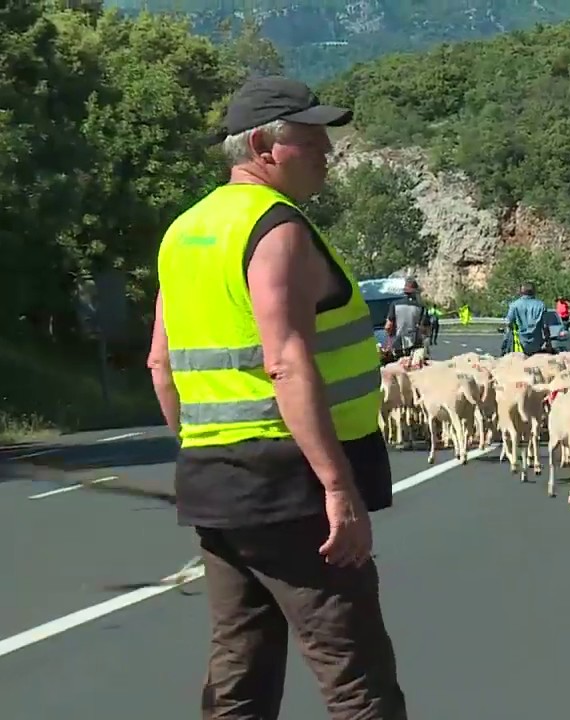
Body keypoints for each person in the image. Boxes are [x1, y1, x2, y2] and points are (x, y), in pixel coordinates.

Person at [147, 75, 407, 720]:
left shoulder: (184, 231)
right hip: (291, 482)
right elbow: (287, 362)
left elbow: (160, 363)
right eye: (312, 139)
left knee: (241, 670)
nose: (328, 151)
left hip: (218, 482)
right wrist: (337, 487)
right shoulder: (277, 228)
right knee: (355, 678)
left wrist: (200, 454)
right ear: (264, 145)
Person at [384, 278, 429, 359]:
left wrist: (390, 338)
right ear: (416, 292)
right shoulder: (421, 307)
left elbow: (388, 326)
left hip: (398, 344)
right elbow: (424, 329)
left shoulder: (395, 304)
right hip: (415, 345)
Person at [504, 282, 550, 356]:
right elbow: (545, 326)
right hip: (536, 342)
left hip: (519, 343)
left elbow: (508, 322)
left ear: (521, 292)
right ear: (534, 291)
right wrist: (548, 341)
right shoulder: (541, 305)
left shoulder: (514, 305)